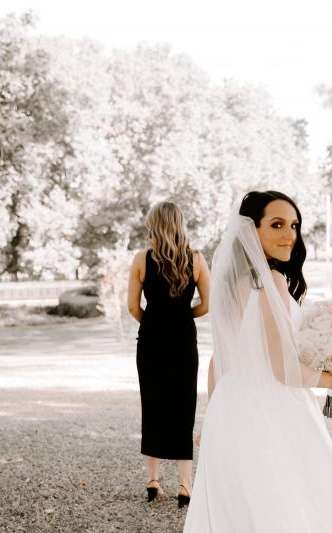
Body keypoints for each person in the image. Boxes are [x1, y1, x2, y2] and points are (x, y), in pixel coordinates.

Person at [184, 191, 332, 532]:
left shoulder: (230, 284)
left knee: (246, 505)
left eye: (294, 225)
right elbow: (282, 368)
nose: (290, 234)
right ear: (251, 230)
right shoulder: (269, 281)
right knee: (290, 499)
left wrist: (211, 416)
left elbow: (219, 360)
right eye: (276, 225)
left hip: (230, 406)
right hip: (270, 407)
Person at [127, 201, 210, 507]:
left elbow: (133, 307)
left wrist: (154, 322)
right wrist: (181, 316)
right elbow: (206, 305)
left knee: (153, 405)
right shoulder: (197, 259)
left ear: (153, 224)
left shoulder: (141, 260)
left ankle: (152, 481)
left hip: (151, 339)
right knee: (183, 407)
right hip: (183, 339)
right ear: (180, 224)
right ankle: (185, 484)